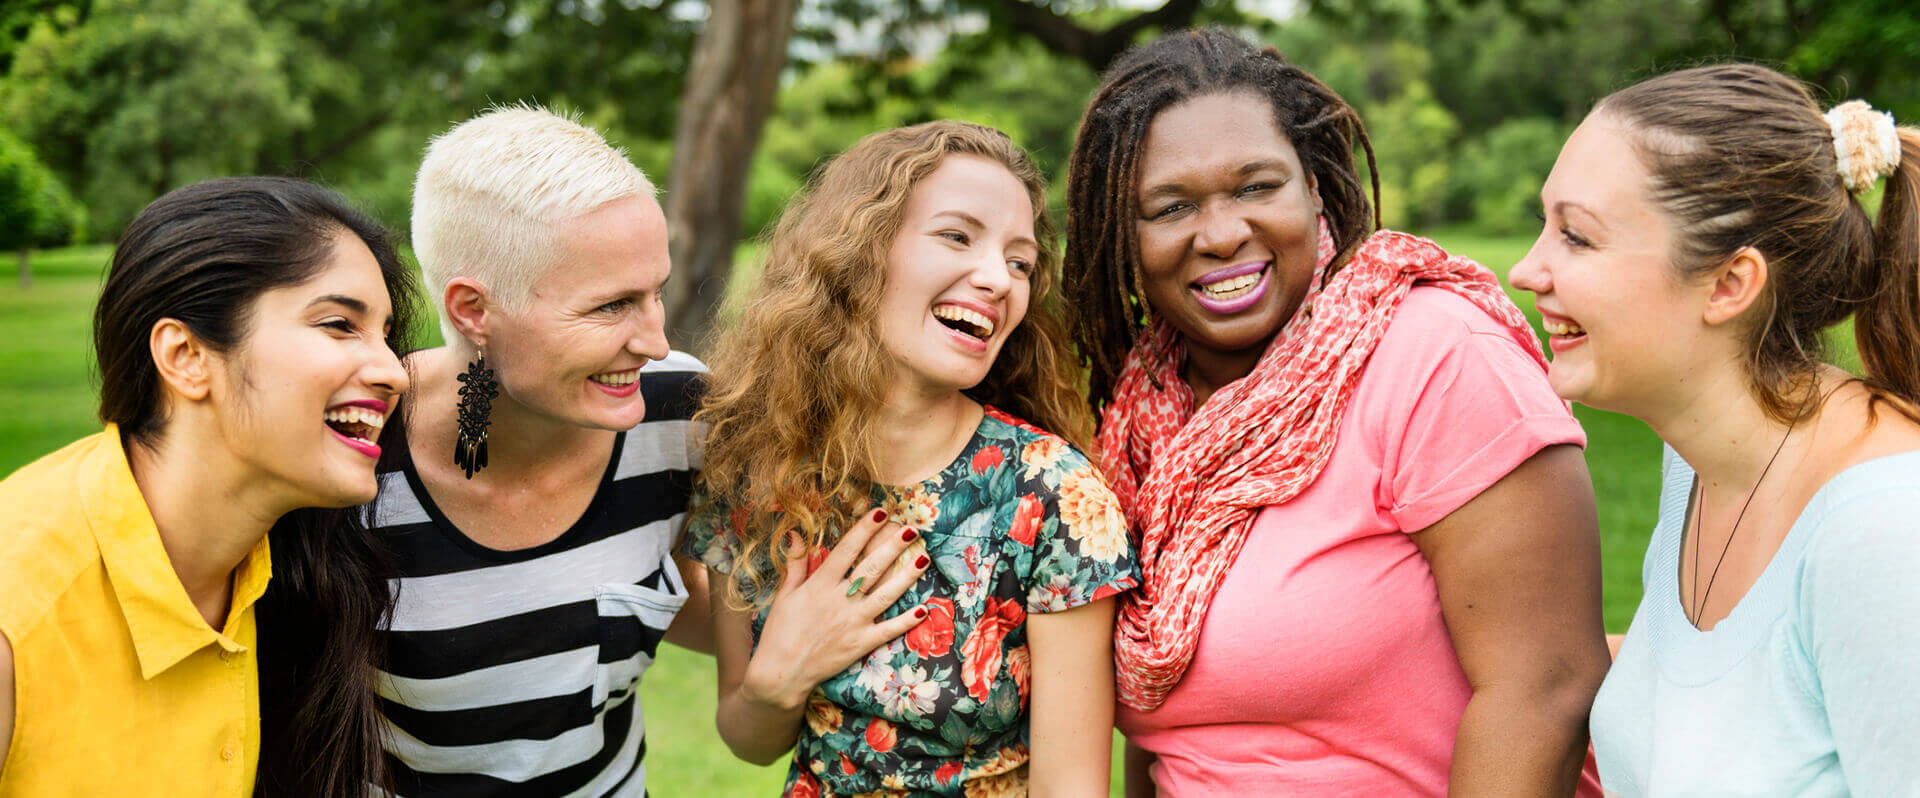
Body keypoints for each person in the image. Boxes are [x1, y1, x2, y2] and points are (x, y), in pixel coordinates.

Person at [1064, 29, 1610, 796]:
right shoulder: (1136, 421)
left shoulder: (1432, 353)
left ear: (1314, 186)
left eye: (1256, 187)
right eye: (1171, 206)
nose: (1221, 234)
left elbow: (1549, 687)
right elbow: (1174, 746)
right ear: (1125, 235)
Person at [684, 120, 1140, 797]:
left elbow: (1070, 788)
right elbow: (748, 738)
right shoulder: (759, 465)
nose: (998, 279)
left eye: (1020, 261)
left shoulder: (1052, 496)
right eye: (957, 236)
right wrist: (779, 677)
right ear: (859, 253)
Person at [1511, 63, 1920, 795]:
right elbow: (1732, 688)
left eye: (1576, 237)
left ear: (1731, 284)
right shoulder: (1698, 463)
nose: (1525, 270)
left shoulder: (1882, 537)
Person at [0, 176, 415, 796]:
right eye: (338, 324)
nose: (393, 373)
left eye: (385, 335)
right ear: (187, 355)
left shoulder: (291, 569)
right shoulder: (18, 614)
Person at [369, 105, 709, 797]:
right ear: (472, 311)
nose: (652, 340)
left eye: (656, 293)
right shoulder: (355, 449)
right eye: (611, 306)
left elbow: (698, 609)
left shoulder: (678, 411)